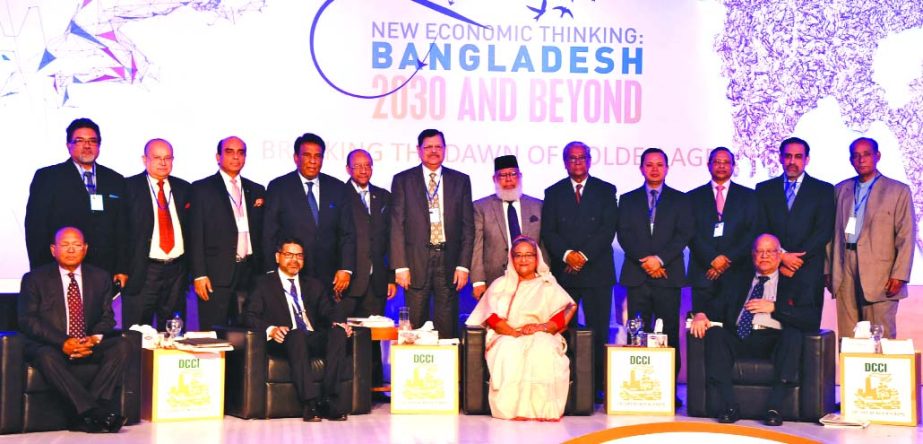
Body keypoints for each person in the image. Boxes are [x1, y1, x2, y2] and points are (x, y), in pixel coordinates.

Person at [697, 234, 821, 426]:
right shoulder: (737, 280)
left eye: (770, 251)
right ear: (753, 255)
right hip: (741, 336)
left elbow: (811, 318)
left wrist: (775, 308)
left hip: (774, 340)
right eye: (760, 251)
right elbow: (715, 305)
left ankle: (774, 407)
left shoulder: (795, 283)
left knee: (793, 335)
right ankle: (729, 406)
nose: (765, 256)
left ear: (780, 255)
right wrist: (700, 315)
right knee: (715, 334)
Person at [18, 227, 131, 433]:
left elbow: (107, 318)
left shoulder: (100, 277)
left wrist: (93, 339)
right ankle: (96, 413)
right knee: (45, 356)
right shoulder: (34, 279)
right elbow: (28, 320)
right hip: (52, 346)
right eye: (65, 245)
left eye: (76, 245)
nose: (71, 250)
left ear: (85, 249)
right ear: (54, 250)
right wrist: (63, 342)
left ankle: (85, 415)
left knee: (122, 345)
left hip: (87, 343)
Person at [466, 235, 577, 420]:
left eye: (529, 255)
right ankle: (512, 411)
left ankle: (543, 411)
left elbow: (559, 317)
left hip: (541, 333)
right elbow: (491, 317)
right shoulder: (501, 284)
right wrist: (514, 332)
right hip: (507, 334)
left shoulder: (547, 284)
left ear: (537, 258)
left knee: (543, 349)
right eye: (518, 255)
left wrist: (538, 328)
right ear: (511, 259)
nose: (523, 259)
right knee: (509, 351)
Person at [242, 238, 353, 422]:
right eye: (288, 255)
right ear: (278, 257)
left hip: (311, 337)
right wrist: (271, 329)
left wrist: (338, 323)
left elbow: (328, 312)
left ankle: (328, 399)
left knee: (338, 333)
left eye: (299, 256)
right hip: (285, 340)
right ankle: (309, 402)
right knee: (296, 335)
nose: (294, 260)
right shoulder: (263, 284)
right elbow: (248, 316)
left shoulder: (314, 284)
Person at [541, 141, 618, 403]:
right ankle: (569, 381)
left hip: (597, 270)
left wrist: (582, 256)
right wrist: (567, 256)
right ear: (564, 162)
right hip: (565, 273)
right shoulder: (553, 192)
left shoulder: (606, 190)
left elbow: (608, 229)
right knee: (565, 330)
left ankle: (597, 385)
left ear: (589, 160)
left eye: (581, 157)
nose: (577, 162)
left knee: (598, 331)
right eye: (571, 158)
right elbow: (549, 231)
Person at [617, 148, 693, 406]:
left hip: (667, 276)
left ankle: (667, 390)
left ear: (667, 168)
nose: (654, 169)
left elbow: (683, 235)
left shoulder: (680, 200)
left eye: (659, 164)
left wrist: (659, 260)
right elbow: (624, 236)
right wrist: (646, 261)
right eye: (649, 165)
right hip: (637, 276)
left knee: (668, 333)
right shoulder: (627, 200)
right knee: (637, 332)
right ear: (641, 168)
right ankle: (636, 390)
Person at [826, 137, 915, 339]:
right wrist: (828, 268)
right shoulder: (841, 189)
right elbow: (831, 233)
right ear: (851, 160)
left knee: (880, 333)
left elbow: (906, 235)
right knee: (848, 335)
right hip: (845, 263)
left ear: (877, 156)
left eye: (866, 154)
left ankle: (880, 372)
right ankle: (851, 371)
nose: (861, 160)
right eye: (856, 156)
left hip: (881, 270)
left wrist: (900, 274)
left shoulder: (898, 190)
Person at [390, 129, 474, 340]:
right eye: (428, 147)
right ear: (419, 150)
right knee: (415, 323)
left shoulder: (460, 180)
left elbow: (467, 227)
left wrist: (463, 265)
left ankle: (445, 372)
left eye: (438, 147)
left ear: (445, 149)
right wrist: (400, 266)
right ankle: (414, 371)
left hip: (449, 260)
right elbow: (396, 224)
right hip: (415, 261)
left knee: (446, 324)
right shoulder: (403, 180)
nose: (433, 151)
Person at [25, 118, 127, 288]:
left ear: (99, 146)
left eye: (92, 141)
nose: (87, 146)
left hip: (104, 271)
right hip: (60, 269)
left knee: (99, 315)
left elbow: (122, 227)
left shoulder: (115, 179)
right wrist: (41, 271)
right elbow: (36, 227)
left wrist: (121, 267)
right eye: (79, 141)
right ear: (68, 145)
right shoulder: (48, 177)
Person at [262, 133, 355, 298]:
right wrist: (271, 272)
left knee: (329, 322)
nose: (313, 161)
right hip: (291, 274)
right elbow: (269, 233)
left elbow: (347, 233)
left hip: (331, 278)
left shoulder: (337, 187)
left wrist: (345, 268)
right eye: (307, 155)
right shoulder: (279, 187)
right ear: (296, 158)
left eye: (317, 156)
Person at [188, 136, 265, 330]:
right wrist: (199, 274)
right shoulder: (202, 188)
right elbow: (195, 234)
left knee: (247, 331)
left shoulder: (256, 189)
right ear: (218, 156)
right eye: (229, 152)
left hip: (250, 271)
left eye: (241, 153)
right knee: (213, 331)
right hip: (216, 272)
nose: (236, 157)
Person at [755, 137, 833, 310]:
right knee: (772, 329)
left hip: (808, 272)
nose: (792, 161)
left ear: (807, 160)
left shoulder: (824, 190)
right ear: (781, 158)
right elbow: (760, 227)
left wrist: (796, 260)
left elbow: (823, 231)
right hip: (773, 270)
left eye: (798, 156)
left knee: (804, 329)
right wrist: (782, 256)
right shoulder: (764, 189)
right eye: (788, 156)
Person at [688, 148, 759, 337]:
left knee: (733, 330)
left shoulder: (749, 196)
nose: (721, 166)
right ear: (708, 165)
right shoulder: (692, 197)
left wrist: (727, 259)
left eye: (726, 162)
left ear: (733, 166)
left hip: (737, 273)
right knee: (701, 332)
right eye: (717, 162)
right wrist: (712, 259)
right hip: (704, 272)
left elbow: (752, 233)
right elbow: (690, 233)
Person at [121, 139, 191, 330]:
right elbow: (119, 232)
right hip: (143, 271)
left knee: (173, 332)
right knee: (137, 333)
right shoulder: (128, 187)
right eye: (157, 157)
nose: (163, 162)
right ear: (145, 159)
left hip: (177, 271)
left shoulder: (184, 188)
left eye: (167, 158)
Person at [342, 148, 394, 392]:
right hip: (350, 278)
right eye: (358, 166)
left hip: (378, 278)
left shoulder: (384, 197)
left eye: (368, 165)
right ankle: (351, 385)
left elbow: (391, 239)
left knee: (374, 334)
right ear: (348, 169)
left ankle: (371, 385)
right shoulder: (339, 195)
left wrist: (391, 276)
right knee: (350, 333)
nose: (363, 170)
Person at [472, 155, 544, 300]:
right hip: (495, 279)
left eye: (513, 174)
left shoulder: (538, 206)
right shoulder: (481, 207)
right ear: (494, 179)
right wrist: (478, 281)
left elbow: (544, 243)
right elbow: (476, 246)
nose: (509, 179)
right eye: (503, 175)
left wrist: (546, 274)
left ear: (520, 176)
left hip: (534, 278)